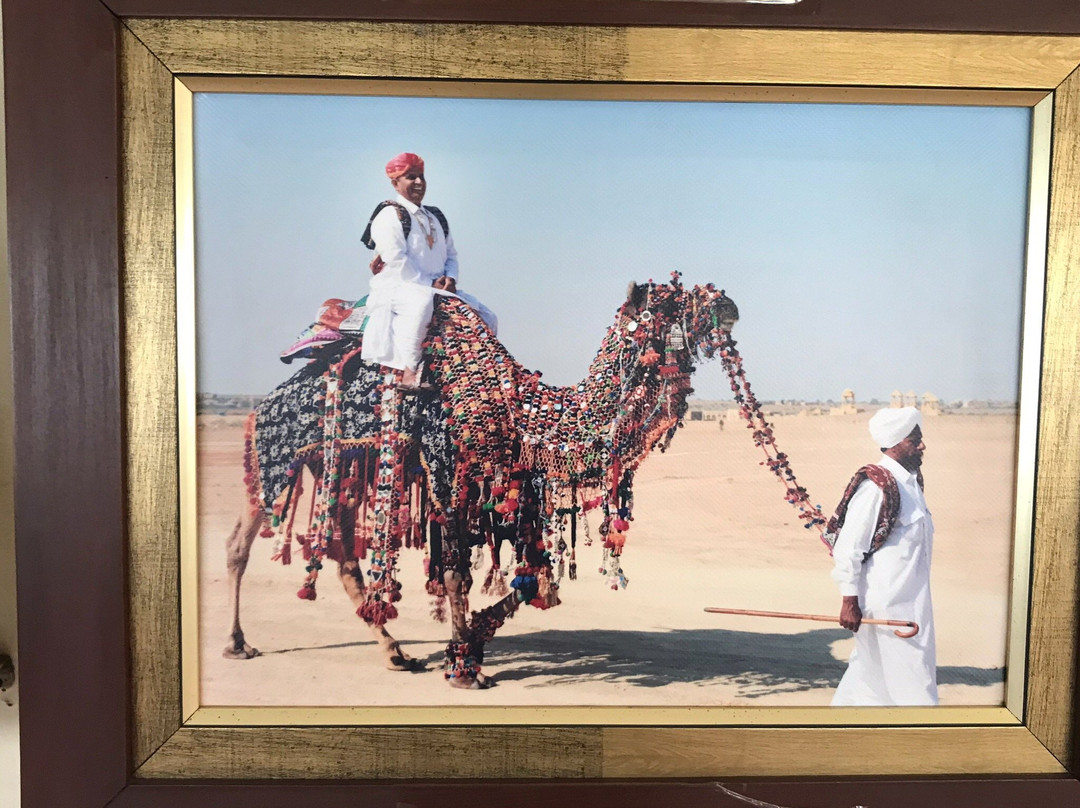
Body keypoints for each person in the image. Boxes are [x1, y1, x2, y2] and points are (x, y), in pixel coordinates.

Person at [359, 152, 497, 389]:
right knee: (421, 304)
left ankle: (481, 374)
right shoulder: (389, 215)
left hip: (439, 288)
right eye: (410, 177)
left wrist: (450, 279)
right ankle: (410, 372)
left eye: (421, 176)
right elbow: (396, 259)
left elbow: (452, 255)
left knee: (487, 316)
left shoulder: (436, 216)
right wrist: (427, 285)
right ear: (395, 183)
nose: (419, 182)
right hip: (400, 286)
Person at [829, 406, 937, 706]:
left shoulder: (911, 483)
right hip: (888, 609)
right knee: (916, 683)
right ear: (895, 443)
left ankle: (841, 736)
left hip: (912, 602)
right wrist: (849, 600)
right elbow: (848, 547)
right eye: (914, 439)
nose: (922, 445)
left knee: (869, 681)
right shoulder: (877, 487)